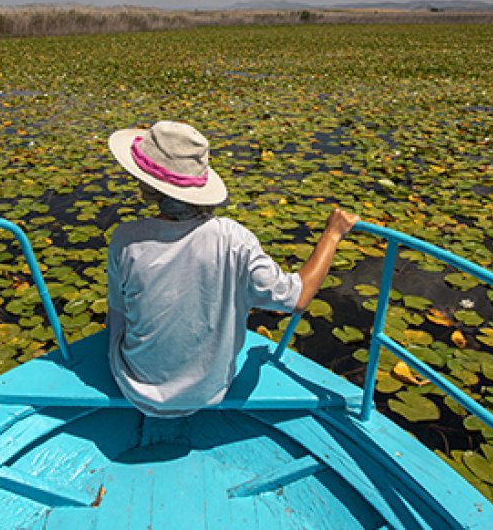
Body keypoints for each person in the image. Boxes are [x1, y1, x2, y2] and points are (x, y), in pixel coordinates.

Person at [106, 120, 359, 417]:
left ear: (147, 184)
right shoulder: (233, 239)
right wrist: (332, 234)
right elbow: (298, 297)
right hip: (209, 391)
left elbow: (117, 317)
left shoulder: (126, 239)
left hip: (135, 386)